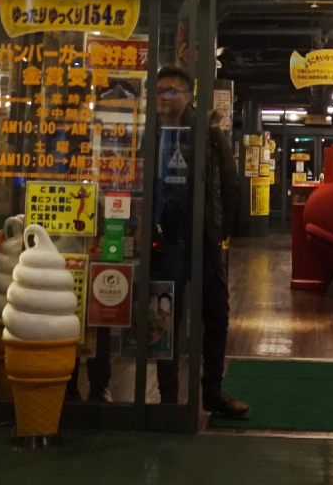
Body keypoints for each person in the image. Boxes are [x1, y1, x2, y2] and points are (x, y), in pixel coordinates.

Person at [87, 65, 247, 417]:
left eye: (172, 91)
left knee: (217, 315)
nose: (164, 98)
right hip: (164, 241)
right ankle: (170, 396)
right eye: (159, 92)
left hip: (203, 240)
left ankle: (212, 390)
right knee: (164, 316)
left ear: (188, 96)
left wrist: (220, 233)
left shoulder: (208, 133)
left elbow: (231, 184)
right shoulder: (147, 133)